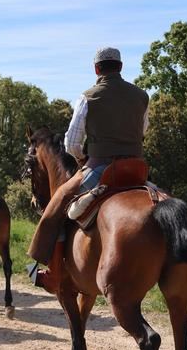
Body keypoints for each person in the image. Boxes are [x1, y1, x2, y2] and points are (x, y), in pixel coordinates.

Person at [26, 47, 150, 294]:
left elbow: (71, 142)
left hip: (100, 167)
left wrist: (84, 158)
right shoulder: (141, 95)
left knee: (59, 203)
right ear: (121, 66)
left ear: (96, 69)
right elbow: (143, 130)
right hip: (137, 168)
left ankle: (53, 272)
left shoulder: (87, 97)